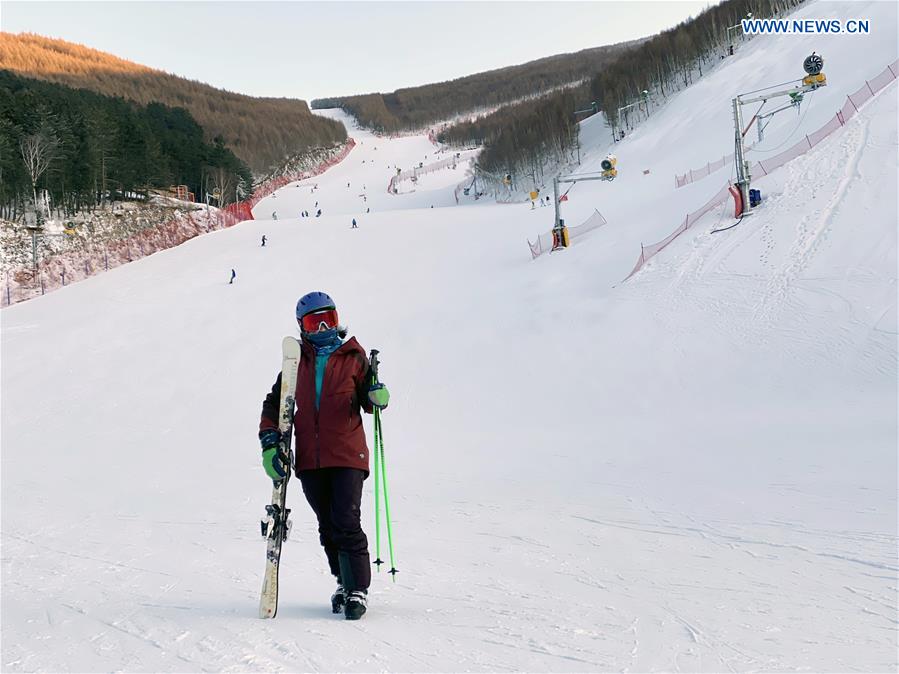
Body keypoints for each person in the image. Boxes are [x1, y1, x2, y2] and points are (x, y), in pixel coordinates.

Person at [257, 292, 390, 621]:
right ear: (301, 327)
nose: (321, 328)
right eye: (313, 322)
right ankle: (343, 582)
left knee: (346, 521)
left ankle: (358, 586)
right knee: (327, 525)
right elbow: (275, 404)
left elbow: (369, 402)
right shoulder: (295, 362)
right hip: (311, 460)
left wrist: (376, 395)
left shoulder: (354, 357)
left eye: (327, 319)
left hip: (347, 454)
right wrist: (270, 442)